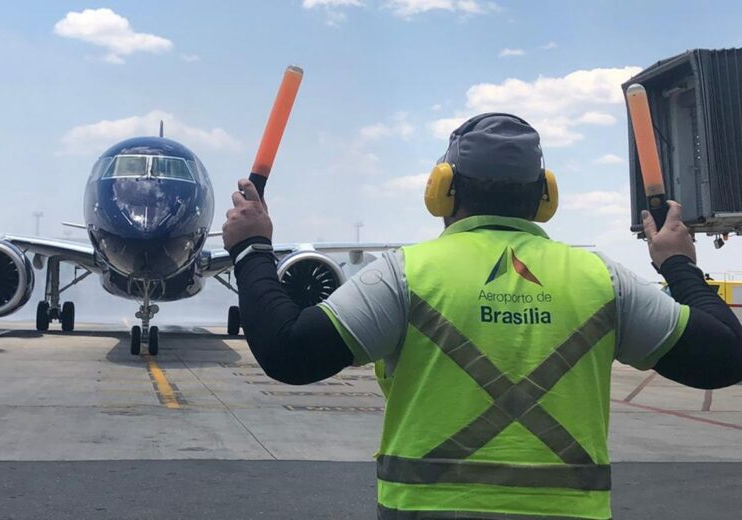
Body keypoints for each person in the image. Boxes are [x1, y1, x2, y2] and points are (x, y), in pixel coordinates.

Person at [221, 113, 742, 520]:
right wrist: (677, 264)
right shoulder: (600, 279)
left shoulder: (406, 274)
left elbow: (288, 352)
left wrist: (251, 250)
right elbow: (723, 358)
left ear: (442, 188)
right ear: (545, 196)